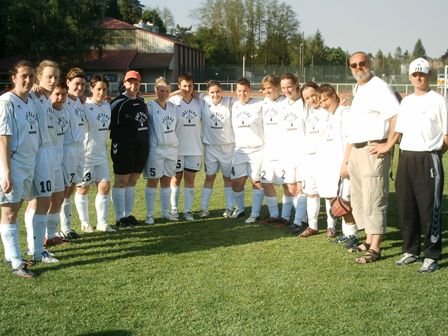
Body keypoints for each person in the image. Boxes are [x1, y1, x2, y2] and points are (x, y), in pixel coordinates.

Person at [373, 58, 448, 272]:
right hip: (406, 157)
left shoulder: (438, 100)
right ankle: (411, 250)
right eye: (415, 74)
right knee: (407, 207)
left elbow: (446, 135)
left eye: (422, 74)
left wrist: (433, 154)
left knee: (428, 208)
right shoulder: (406, 102)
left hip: (428, 158)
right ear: (410, 77)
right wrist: (387, 146)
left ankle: (432, 255)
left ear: (429, 76)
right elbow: (399, 132)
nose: (418, 77)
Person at [344, 51, 399, 263]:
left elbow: (396, 115)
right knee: (360, 198)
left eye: (362, 63)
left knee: (375, 198)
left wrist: (388, 144)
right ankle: (368, 239)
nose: (358, 68)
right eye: (354, 65)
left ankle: (375, 247)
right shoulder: (359, 87)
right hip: (357, 150)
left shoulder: (379, 87)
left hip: (373, 149)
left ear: (370, 63)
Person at [0, 60, 39, 278]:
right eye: (23, 75)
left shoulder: (30, 100)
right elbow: (3, 138)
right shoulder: (6, 102)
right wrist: (6, 172)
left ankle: (10, 254)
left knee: (17, 208)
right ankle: (16, 262)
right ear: (13, 78)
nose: (27, 79)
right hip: (12, 164)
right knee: (9, 211)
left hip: (28, 163)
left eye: (31, 76)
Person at [24, 60, 61, 263]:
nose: (53, 80)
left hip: (48, 154)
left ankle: (35, 247)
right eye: (49, 76)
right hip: (36, 154)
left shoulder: (47, 99)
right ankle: (36, 249)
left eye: (55, 76)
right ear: (39, 78)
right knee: (39, 201)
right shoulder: (33, 95)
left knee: (40, 201)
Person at [316, 84, 358, 249]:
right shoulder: (329, 115)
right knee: (335, 200)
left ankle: (353, 235)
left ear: (335, 95)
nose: (324, 103)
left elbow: (350, 140)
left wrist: (345, 163)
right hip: (330, 165)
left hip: (342, 164)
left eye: (326, 99)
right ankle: (347, 233)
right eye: (321, 101)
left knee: (345, 201)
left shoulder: (344, 113)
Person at [74, 75, 115, 233]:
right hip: (86, 155)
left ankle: (102, 223)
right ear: (91, 89)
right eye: (98, 89)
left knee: (104, 186)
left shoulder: (107, 105)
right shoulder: (84, 104)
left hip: (101, 154)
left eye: (104, 89)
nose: (102, 92)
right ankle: (85, 223)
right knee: (83, 188)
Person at [110, 70, 149, 227]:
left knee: (133, 180)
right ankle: (120, 218)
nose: (133, 85)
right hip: (124, 145)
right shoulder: (118, 103)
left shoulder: (141, 102)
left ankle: (128, 214)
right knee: (121, 180)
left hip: (141, 145)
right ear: (124, 83)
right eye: (130, 82)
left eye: (136, 82)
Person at [143, 77, 178, 224]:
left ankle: (165, 212)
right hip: (156, 150)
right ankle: (150, 214)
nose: (164, 93)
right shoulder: (149, 106)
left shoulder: (172, 106)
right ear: (156, 91)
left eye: (167, 91)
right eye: (161, 90)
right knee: (153, 181)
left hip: (171, 149)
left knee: (167, 181)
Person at [57, 67, 87, 240]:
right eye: (76, 84)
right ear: (68, 82)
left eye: (83, 84)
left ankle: (66, 227)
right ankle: (60, 228)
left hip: (79, 149)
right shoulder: (62, 99)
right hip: (66, 149)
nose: (80, 87)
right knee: (62, 190)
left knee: (71, 189)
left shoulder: (79, 101)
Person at [230, 77, 264, 223]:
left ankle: (255, 213)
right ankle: (240, 209)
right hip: (240, 150)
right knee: (236, 182)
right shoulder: (233, 105)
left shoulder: (260, 104)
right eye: (239, 91)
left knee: (256, 182)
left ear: (250, 91)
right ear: (235, 91)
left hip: (258, 149)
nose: (242, 93)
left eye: (245, 90)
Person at [199, 80, 235, 218]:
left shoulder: (229, 102)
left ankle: (229, 207)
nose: (215, 94)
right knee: (209, 177)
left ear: (222, 91)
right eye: (212, 92)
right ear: (208, 93)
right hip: (210, 148)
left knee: (228, 178)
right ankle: (204, 209)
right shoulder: (204, 101)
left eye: (218, 91)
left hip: (227, 147)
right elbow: (188, 92)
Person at [298, 82, 329, 238]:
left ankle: (331, 226)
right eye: (307, 98)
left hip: (326, 157)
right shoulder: (304, 114)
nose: (311, 100)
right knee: (311, 193)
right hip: (309, 159)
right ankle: (313, 225)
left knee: (329, 192)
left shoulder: (329, 111)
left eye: (313, 95)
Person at [169, 73, 202, 221]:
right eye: (184, 86)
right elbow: (164, 96)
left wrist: (194, 93)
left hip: (194, 148)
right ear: (179, 86)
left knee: (190, 179)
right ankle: (174, 210)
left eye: (190, 86)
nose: (187, 89)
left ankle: (188, 211)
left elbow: (207, 96)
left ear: (193, 86)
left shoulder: (199, 102)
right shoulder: (173, 102)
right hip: (177, 148)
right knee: (176, 179)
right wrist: (176, 93)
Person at [279, 73, 307, 234]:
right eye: (283, 88)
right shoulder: (282, 105)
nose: (286, 90)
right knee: (291, 187)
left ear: (296, 85)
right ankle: (297, 217)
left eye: (289, 86)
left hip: (302, 152)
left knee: (301, 187)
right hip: (287, 152)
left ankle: (298, 221)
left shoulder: (304, 103)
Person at [259, 75, 288, 224]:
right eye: (264, 88)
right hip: (268, 151)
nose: (266, 91)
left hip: (284, 151)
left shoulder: (286, 102)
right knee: (265, 181)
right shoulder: (262, 103)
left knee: (287, 184)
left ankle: (287, 216)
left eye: (269, 87)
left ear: (277, 87)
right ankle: (274, 214)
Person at [45, 81, 70, 249]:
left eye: (63, 94)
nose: (60, 97)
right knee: (41, 202)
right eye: (57, 94)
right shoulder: (45, 111)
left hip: (58, 162)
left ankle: (51, 234)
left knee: (59, 198)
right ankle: (39, 240)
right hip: (44, 162)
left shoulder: (65, 110)